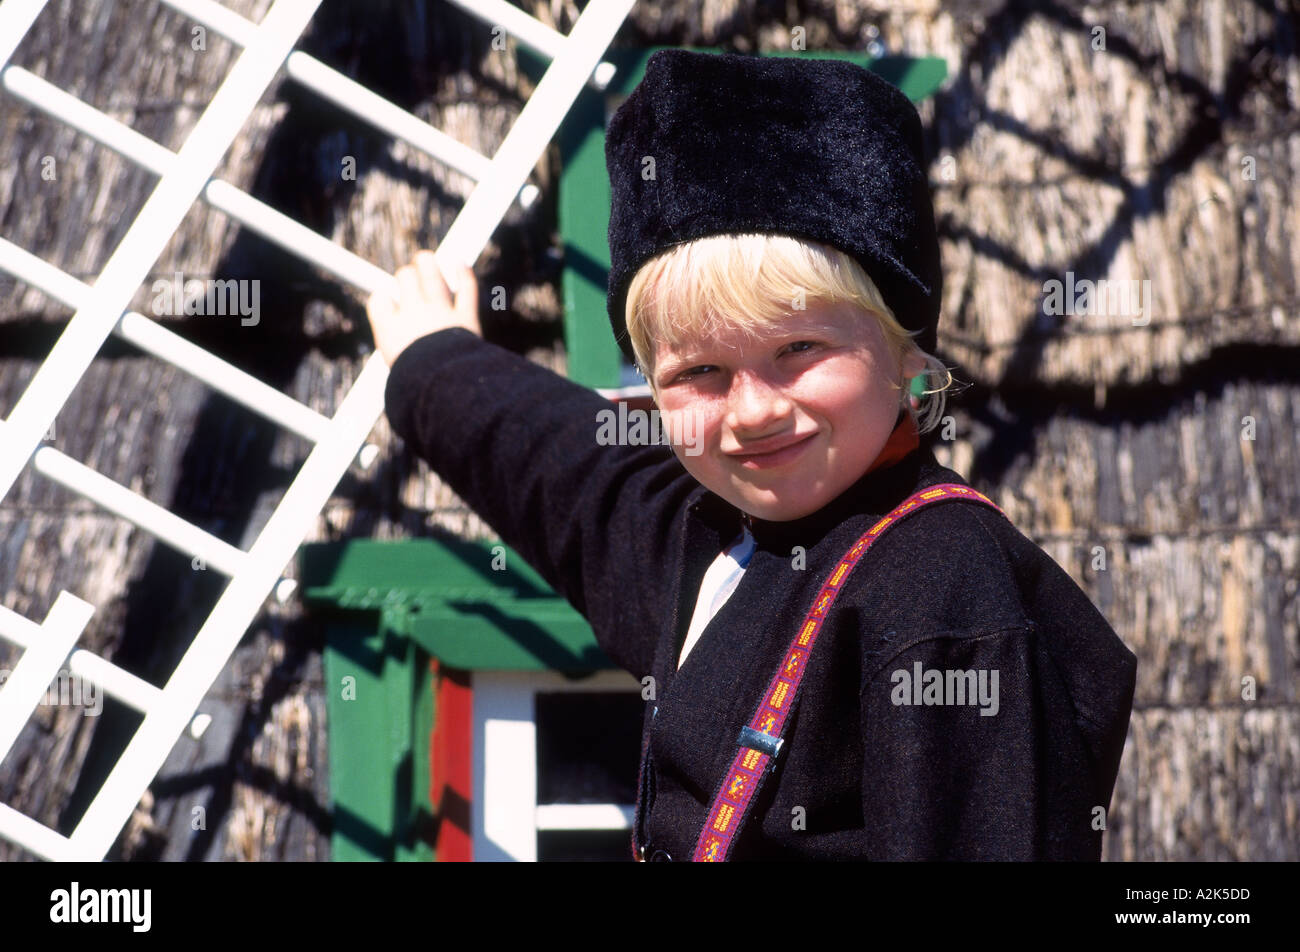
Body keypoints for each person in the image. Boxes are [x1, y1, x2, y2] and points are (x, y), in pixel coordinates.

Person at [367, 49, 1138, 861]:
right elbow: (567, 476)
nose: (756, 412)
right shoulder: (708, 535)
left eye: (799, 348)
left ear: (906, 351)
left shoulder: (944, 595)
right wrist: (434, 364)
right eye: (699, 372)